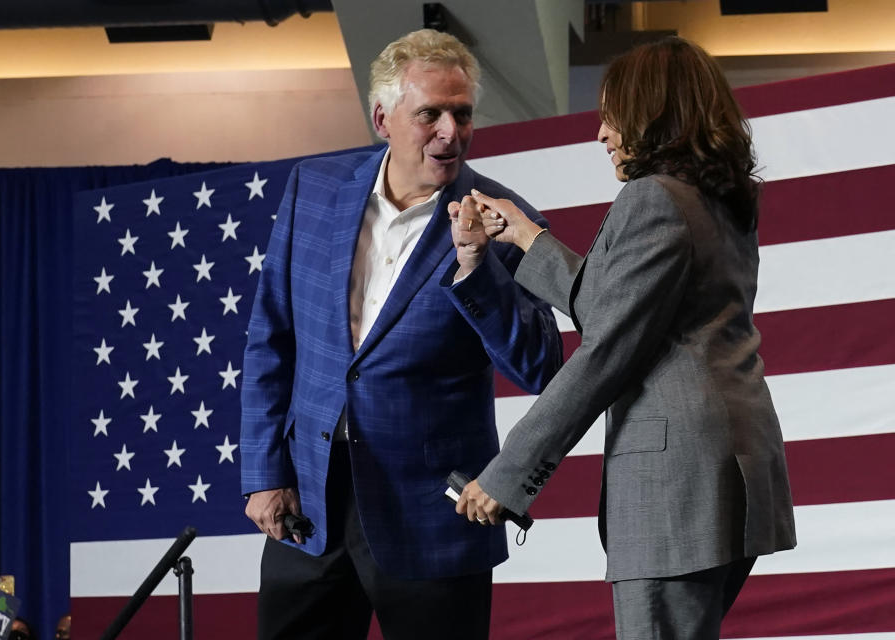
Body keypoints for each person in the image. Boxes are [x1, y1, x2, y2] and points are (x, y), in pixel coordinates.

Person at [454, 36, 797, 638]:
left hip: (677, 486)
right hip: (729, 470)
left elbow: (607, 350)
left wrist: (508, 475)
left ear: (652, 112)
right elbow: (626, 312)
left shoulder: (649, 199)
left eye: (614, 115)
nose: (603, 133)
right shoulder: (717, 199)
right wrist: (530, 238)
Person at [240, 29, 562, 639]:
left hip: (432, 522)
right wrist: (264, 472)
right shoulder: (314, 189)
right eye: (430, 114)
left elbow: (541, 365)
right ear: (382, 118)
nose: (450, 132)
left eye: (462, 115)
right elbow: (270, 340)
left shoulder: (505, 219)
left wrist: (477, 268)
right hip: (310, 504)